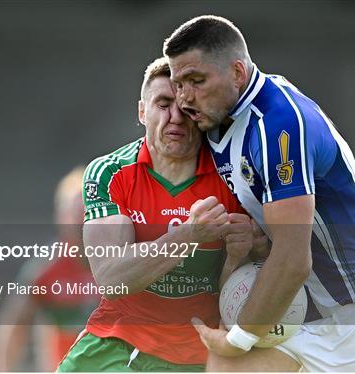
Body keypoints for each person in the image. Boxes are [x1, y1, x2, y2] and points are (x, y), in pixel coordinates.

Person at [164, 15, 355, 372]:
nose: (185, 98)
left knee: (227, 356)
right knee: (221, 367)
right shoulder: (215, 117)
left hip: (349, 319)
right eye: (178, 84)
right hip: (291, 312)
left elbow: (292, 261)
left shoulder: (279, 124)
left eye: (197, 80)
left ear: (238, 73)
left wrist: (238, 339)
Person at [57, 57, 261, 372]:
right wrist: (189, 235)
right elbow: (112, 278)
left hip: (195, 356)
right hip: (115, 344)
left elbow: (240, 288)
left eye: (185, 107)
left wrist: (243, 253)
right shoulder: (110, 172)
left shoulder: (233, 177)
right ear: (142, 111)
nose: (176, 117)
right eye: (164, 104)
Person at [0, 166, 99, 371]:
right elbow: (13, 327)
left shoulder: (121, 261)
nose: (80, 224)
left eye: (86, 217)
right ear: (61, 218)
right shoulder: (46, 268)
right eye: (74, 216)